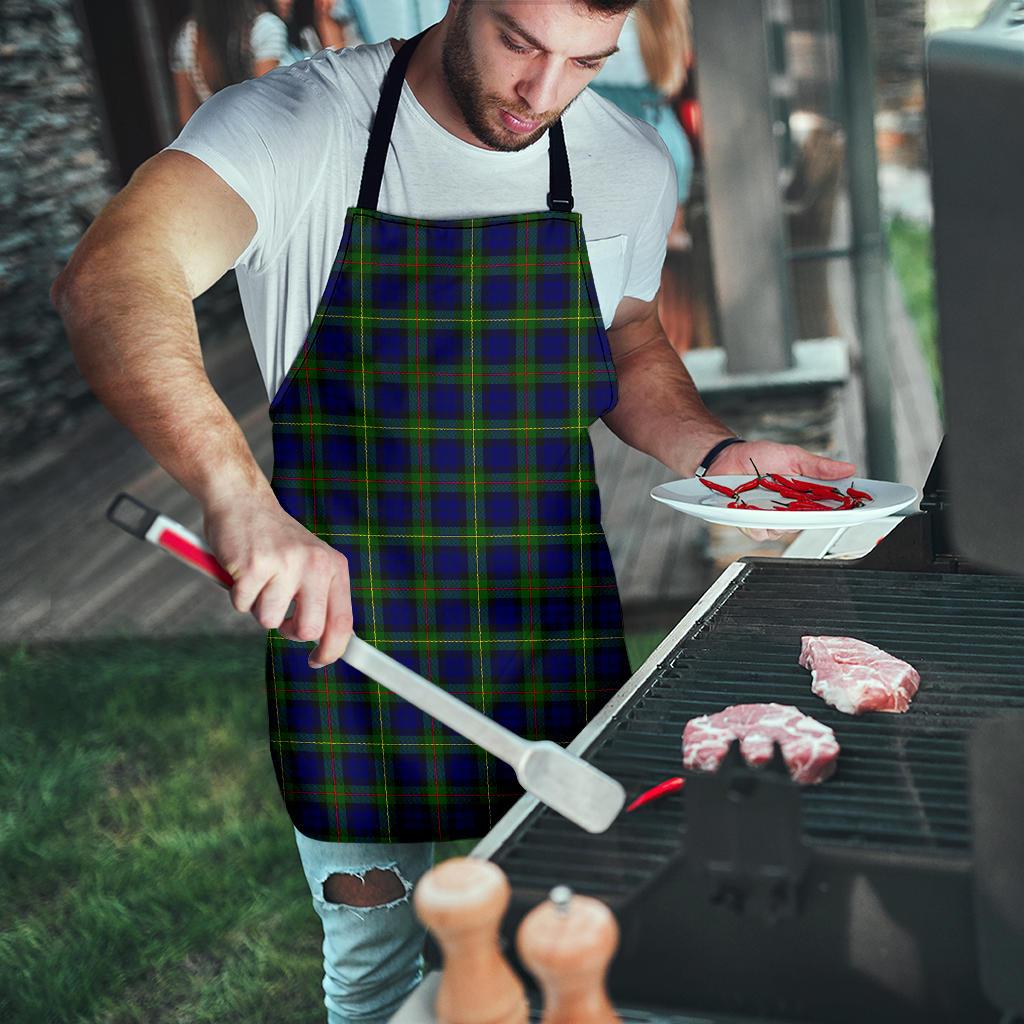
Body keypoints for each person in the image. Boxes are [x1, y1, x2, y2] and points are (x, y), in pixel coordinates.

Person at [52, 2, 856, 1020]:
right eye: (521, 43)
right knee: (379, 976)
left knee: (572, 951)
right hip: (350, 650)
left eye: (585, 62)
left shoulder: (624, 160)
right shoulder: (297, 125)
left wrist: (718, 450)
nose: (543, 93)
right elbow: (112, 275)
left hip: (549, 633)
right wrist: (238, 497)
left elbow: (627, 335)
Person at [169, 0, 289, 128]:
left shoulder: (187, 37)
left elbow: (187, 120)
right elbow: (269, 107)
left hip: (217, 141)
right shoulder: (265, 27)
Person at [275, 0, 350, 64]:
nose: (288, 2)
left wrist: (323, 17)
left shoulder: (307, 29)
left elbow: (339, 62)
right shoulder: (271, 26)